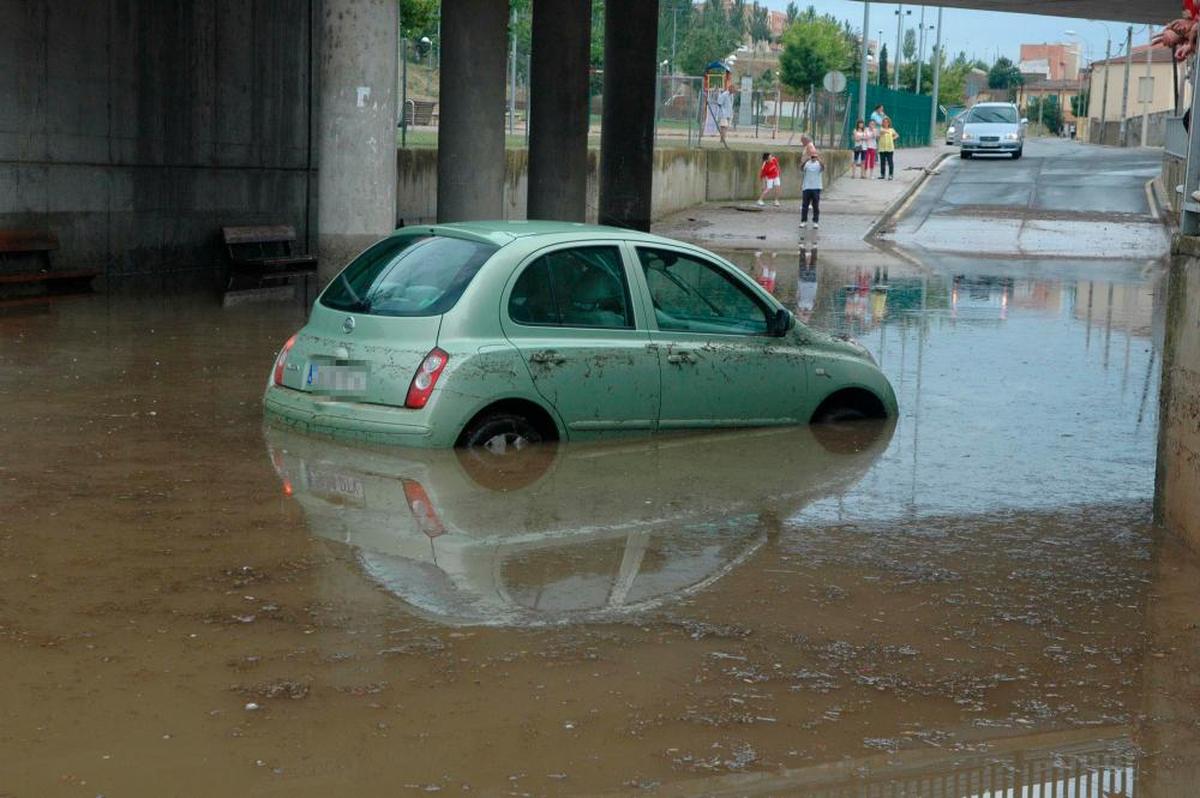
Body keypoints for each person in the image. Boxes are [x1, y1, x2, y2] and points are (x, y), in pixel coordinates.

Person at [800, 149, 823, 230]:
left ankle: (815, 222)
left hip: (816, 187)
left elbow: (823, 168)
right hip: (807, 187)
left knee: (815, 206)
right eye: (812, 155)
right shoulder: (807, 163)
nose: (813, 157)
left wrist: (819, 159)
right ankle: (803, 221)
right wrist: (805, 160)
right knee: (805, 205)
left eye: (815, 155)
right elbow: (801, 168)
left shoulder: (819, 164)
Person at [716, 83, 734, 149]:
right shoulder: (724, 95)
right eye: (732, 89)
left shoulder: (731, 95)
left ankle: (722, 139)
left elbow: (730, 104)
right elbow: (719, 103)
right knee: (724, 127)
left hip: (729, 113)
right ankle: (723, 140)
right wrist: (722, 111)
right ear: (729, 88)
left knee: (726, 127)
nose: (733, 91)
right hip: (723, 114)